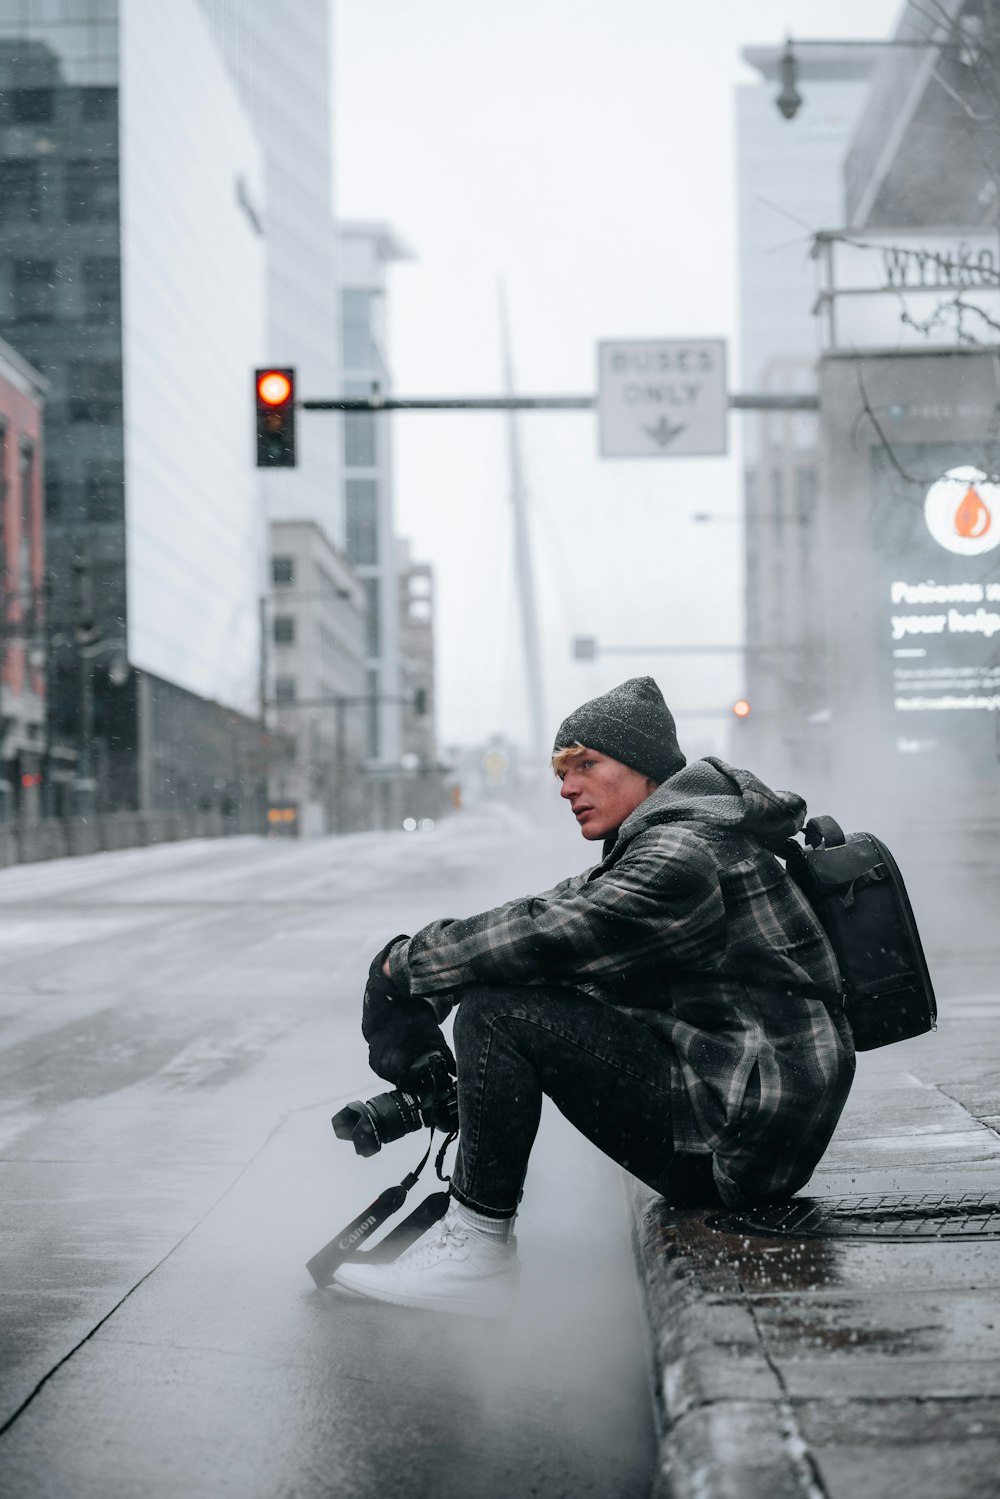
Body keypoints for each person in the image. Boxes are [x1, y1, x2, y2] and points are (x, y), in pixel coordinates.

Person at [334, 677, 854, 1317]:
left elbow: (548, 934)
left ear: (643, 769)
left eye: (586, 765)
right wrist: (432, 987)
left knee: (500, 1014)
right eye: (560, 771)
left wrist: (403, 969)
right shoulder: (679, 834)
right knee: (514, 984)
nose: (566, 787)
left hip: (738, 1140)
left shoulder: (682, 853)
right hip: (750, 1116)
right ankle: (470, 1239)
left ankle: (475, 1251)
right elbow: (556, 911)